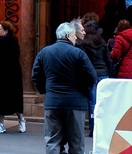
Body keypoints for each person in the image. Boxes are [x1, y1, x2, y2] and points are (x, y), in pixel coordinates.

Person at [32, 22, 97, 154]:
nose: (75, 39)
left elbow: (36, 75)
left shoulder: (45, 52)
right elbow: (91, 76)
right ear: (68, 36)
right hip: (75, 102)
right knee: (76, 143)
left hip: (53, 101)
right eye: (74, 36)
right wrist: (84, 91)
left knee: (53, 141)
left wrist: (46, 90)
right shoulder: (78, 53)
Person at [0, 20, 25, 134]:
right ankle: (10, 122)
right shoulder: (9, 41)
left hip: (7, 74)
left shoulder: (4, 42)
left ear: (5, 31)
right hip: (8, 74)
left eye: (0, 29)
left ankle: (10, 122)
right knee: (8, 98)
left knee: (7, 98)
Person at [79, 19, 108, 135]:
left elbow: (84, 61)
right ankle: (103, 128)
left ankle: (93, 128)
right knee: (104, 101)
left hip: (91, 74)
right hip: (104, 73)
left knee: (92, 102)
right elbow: (108, 59)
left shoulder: (84, 44)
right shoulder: (102, 42)